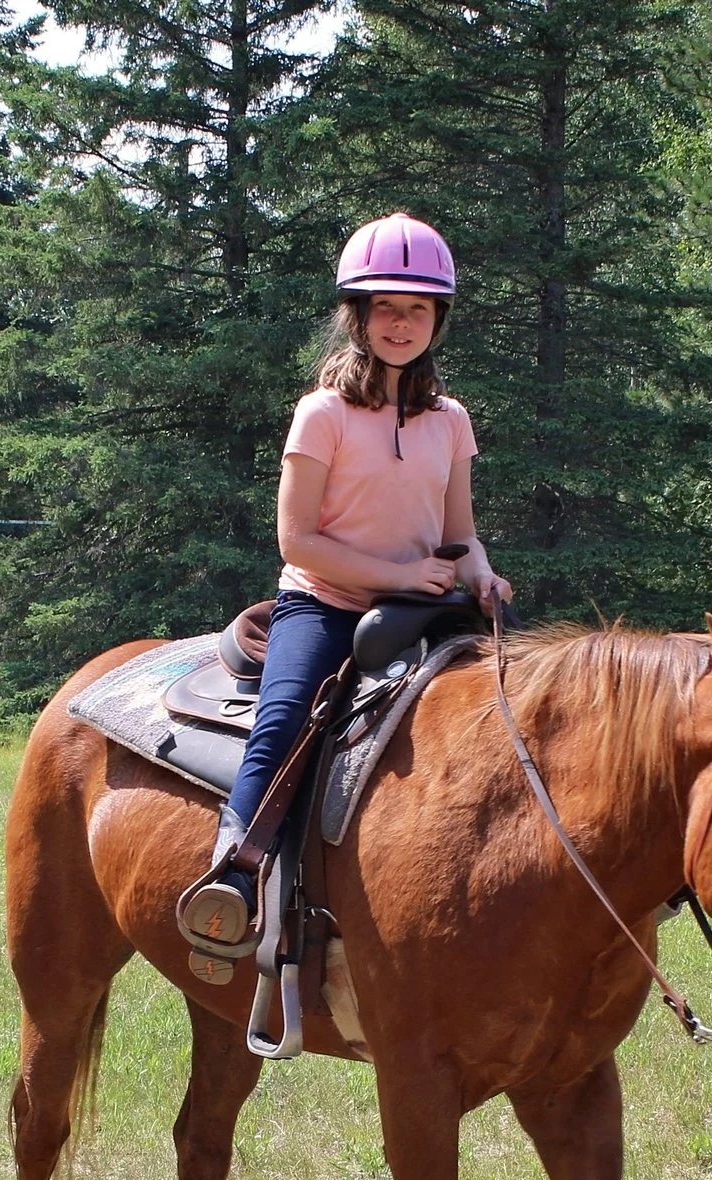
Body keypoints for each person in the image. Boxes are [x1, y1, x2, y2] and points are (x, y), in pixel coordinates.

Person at [178, 212, 512, 954]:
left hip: (428, 609)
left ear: (437, 320)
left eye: (416, 309)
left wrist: (481, 572)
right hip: (324, 604)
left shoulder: (450, 420)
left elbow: (459, 531)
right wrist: (399, 573)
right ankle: (232, 873)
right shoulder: (322, 413)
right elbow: (297, 539)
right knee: (286, 714)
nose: (401, 323)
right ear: (357, 317)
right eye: (385, 308)